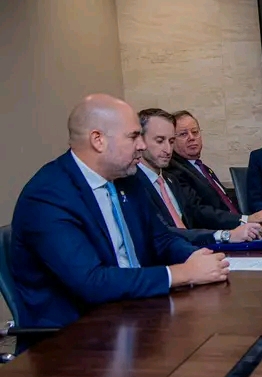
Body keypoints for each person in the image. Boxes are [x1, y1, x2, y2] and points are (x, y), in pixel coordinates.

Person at [11, 94, 231, 329]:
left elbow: (161, 239)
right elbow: (91, 282)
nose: (142, 145)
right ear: (98, 140)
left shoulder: (127, 179)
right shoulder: (48, 196)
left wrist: (195, 257)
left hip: (137, 312)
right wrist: (182, 273)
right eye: (133, 136)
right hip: (77, 333)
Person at [126, 108, 262, 246]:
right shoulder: (131, 184)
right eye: (160, 141)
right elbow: (163, 233)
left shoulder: (170, 180)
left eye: (171, 141)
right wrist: (225, 235)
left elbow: (191, 218)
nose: (168, 149)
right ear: (140, 141)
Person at [165, 110, 262, 223]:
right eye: (183, 134)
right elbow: (197, 211)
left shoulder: (203, 168)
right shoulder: (174, 171)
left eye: (195, 132)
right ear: (172, 140)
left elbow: (225, 200)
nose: (192, 137)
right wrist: (245, 219)